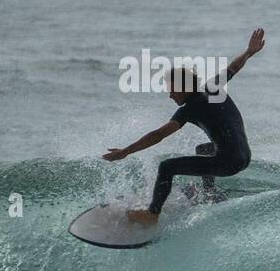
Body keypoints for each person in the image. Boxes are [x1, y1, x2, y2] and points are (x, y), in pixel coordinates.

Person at [103, 28, 264, 223]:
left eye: (172, 91)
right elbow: (234, 67)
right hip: (245, 156)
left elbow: (159, 135)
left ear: (182, 88)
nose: (170, 96)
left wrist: (126, 151)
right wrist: (249, 52)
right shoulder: (212, 88)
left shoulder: (190, 108)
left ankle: (152, 214)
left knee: (167, 167)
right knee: (203, 149)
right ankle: (209, 192)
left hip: (228, 163)